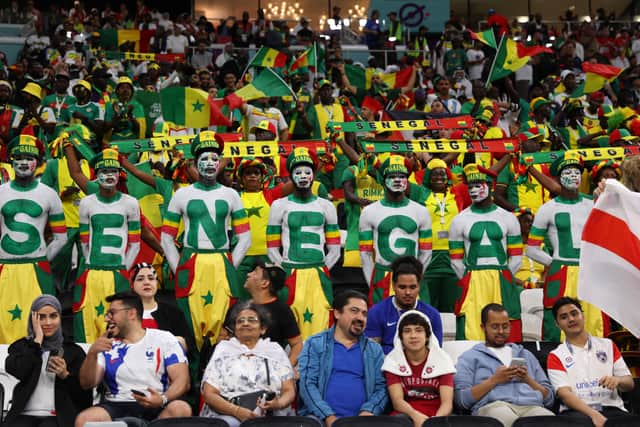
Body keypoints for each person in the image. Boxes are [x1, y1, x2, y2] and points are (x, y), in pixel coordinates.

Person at [161, 131, 251, 350]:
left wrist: (230, 264)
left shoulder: (231, 195)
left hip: (221, 261)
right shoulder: (181, 194)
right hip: (192, 262)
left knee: (223, 326)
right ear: (194, 162)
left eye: (214, 159)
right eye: (204, 159)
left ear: (220, 163)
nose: (210, 163)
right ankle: (189, 379)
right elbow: (166, 238)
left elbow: (245, 237)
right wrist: (179, 267)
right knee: (190, 326)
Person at [75, 291, 191, 426]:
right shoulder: (106, 344)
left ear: (131, 314)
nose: (107, 319)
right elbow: (87, 383)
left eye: (112, 313)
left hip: (157, 403)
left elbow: (182, 381)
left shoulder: (163, 339)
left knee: (181, 408)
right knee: (84, 420)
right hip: (116, 404)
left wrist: (163, 399)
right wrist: (92, 354)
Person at [526, 152, 606, 340]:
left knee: (595, 321)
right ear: (559, 178)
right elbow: (531, 248)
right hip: (561, 272)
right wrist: (555, 263)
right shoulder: (547, 209)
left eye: (577, 172)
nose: (573, 176)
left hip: (590, 271)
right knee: (558, 327)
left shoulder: (593, 204)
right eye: (567, 172)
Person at [266, 147, 341, 339]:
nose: (303, 176)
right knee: (289, 327)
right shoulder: (279, 205)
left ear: (313, 175)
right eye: (298, 172)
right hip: (291, 272)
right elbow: (272, 247)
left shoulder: (326, 206)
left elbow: (334, 250)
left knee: (322, 323)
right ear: (291, 175)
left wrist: (321, 269)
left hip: (317, 273)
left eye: (307, 172)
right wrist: (285, 268)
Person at [0, 135, 67, 344]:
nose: (23, 162)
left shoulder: (49, 194)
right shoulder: (0, 192)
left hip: (37, 269)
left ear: (37, 162)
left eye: (29, 157)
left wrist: (43, 259)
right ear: (11, 161)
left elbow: (61, 237)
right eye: (18, 157)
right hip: (4, 267)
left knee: (43, 326)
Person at [73, 148, 141, 343]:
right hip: (92, 272)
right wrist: (91, 265)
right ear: (96, 175)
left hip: (117, 271)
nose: (109, 176)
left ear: (119, 174)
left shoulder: (131, 203)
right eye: (104, 172)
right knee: (89, 322)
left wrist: (122, 269)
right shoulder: (86, 203)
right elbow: (85, 243)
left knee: (118, 326)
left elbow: (135, 244)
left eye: (113, 171)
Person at [448, 164, 523, 340]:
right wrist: (468, 278)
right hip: (472, 278)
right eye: (471, 186)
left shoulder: (508, 217)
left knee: (505, 328)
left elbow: (517, 257)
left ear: (491, 186)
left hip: (501, 275)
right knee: (471, 328)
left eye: (479, 185)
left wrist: (504, 276)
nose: (474, 190)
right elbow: (456, 261)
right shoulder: (459, 220)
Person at [454, 304, 555, 427]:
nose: (501, 331)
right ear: (483, 327)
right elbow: (461, 400)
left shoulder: (526, 354)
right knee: (506, 419)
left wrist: (528, 380)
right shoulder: (469, 357)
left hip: (532, 405)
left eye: (505, 326)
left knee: (551, 421)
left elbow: (549, 399)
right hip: (494, 406)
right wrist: (494, 380)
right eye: (495, 327)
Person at [298, 290, 388, 426]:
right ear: (337, 313)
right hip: (320, 420)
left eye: (364, 313)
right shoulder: (315, 343)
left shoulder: (374, 349)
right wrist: (328, 416)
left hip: (362, 421)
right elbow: (307, 384)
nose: (360, 317)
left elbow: (382, 387)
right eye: (354, 311)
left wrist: (368, 412)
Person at [200, 302, 296, 427]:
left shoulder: (274, 351)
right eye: (240, 321)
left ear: (263, 328)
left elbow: (289, 390)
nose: (245, 323)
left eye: (252, 320)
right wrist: (237, 411)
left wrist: (278, 404)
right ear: (235, 329)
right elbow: (209, 393)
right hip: (229, 415)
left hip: (272, 415)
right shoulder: (223, 350)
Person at [5, 295, 92, 427]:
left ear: (60, 318)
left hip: (58, 417)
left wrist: (65, 376)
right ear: (32, 318)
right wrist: (37, 342)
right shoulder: (22, 347)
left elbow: (85, 397)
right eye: (41, 317)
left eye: (53, 316)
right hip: (23, 415)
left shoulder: (73, 351)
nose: (48, 323)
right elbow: (19, 371)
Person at [547, 297, 635, 427]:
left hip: (612, 409)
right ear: (557, 324)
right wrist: (593, 414)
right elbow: (565, 394)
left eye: (574, 313)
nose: (571, 319)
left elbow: (629, 383)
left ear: (582, 315)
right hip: (576, 413)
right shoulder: (555, 355)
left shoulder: (608, 345)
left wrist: (618, 380)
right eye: (564, 317)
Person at [359, 155, 432, 304]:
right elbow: (365, 255)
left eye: (402, 176)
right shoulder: (369, 211)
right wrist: (373, 283)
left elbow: (426, 252)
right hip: (382, 277)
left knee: (416, 324)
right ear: (383, 180)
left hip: (413, 278)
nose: (398, 180)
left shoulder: (421, 211)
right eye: (392, 176)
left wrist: (416, 278)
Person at [382, 311, 455, 427]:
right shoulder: (392, 362)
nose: (413, 336)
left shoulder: (443, 361)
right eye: (407, 331)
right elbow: (397, 401)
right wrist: (416, 416)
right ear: (400, 337)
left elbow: (447, 403)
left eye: (419, 330)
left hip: (438, 415)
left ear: (427, 336)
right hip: (405, 416)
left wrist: (433, 422)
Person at [365, 255, 442, 354]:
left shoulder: (432, 315)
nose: (408, 292)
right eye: (402, 287)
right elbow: (372, 353)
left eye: (412, 287)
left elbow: (436, 351)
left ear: (419, 286)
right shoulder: (376, 312)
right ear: (393, 285)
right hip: (386, 365)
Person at [130, 262, 196, 366]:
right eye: (140, 279)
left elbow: (188, 344)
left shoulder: (173, 312)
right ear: (132, 285)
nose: (146, 282)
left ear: (156, 283)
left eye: (151, 278)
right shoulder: (125, 313)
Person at [243, 261, 302, 367]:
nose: (248, 274)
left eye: (255, 272)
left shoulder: (282, 310)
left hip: (269, 373)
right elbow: (223, 336)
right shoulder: (240, 307)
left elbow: (297, 344)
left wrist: (286, 370)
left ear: (265, 283)